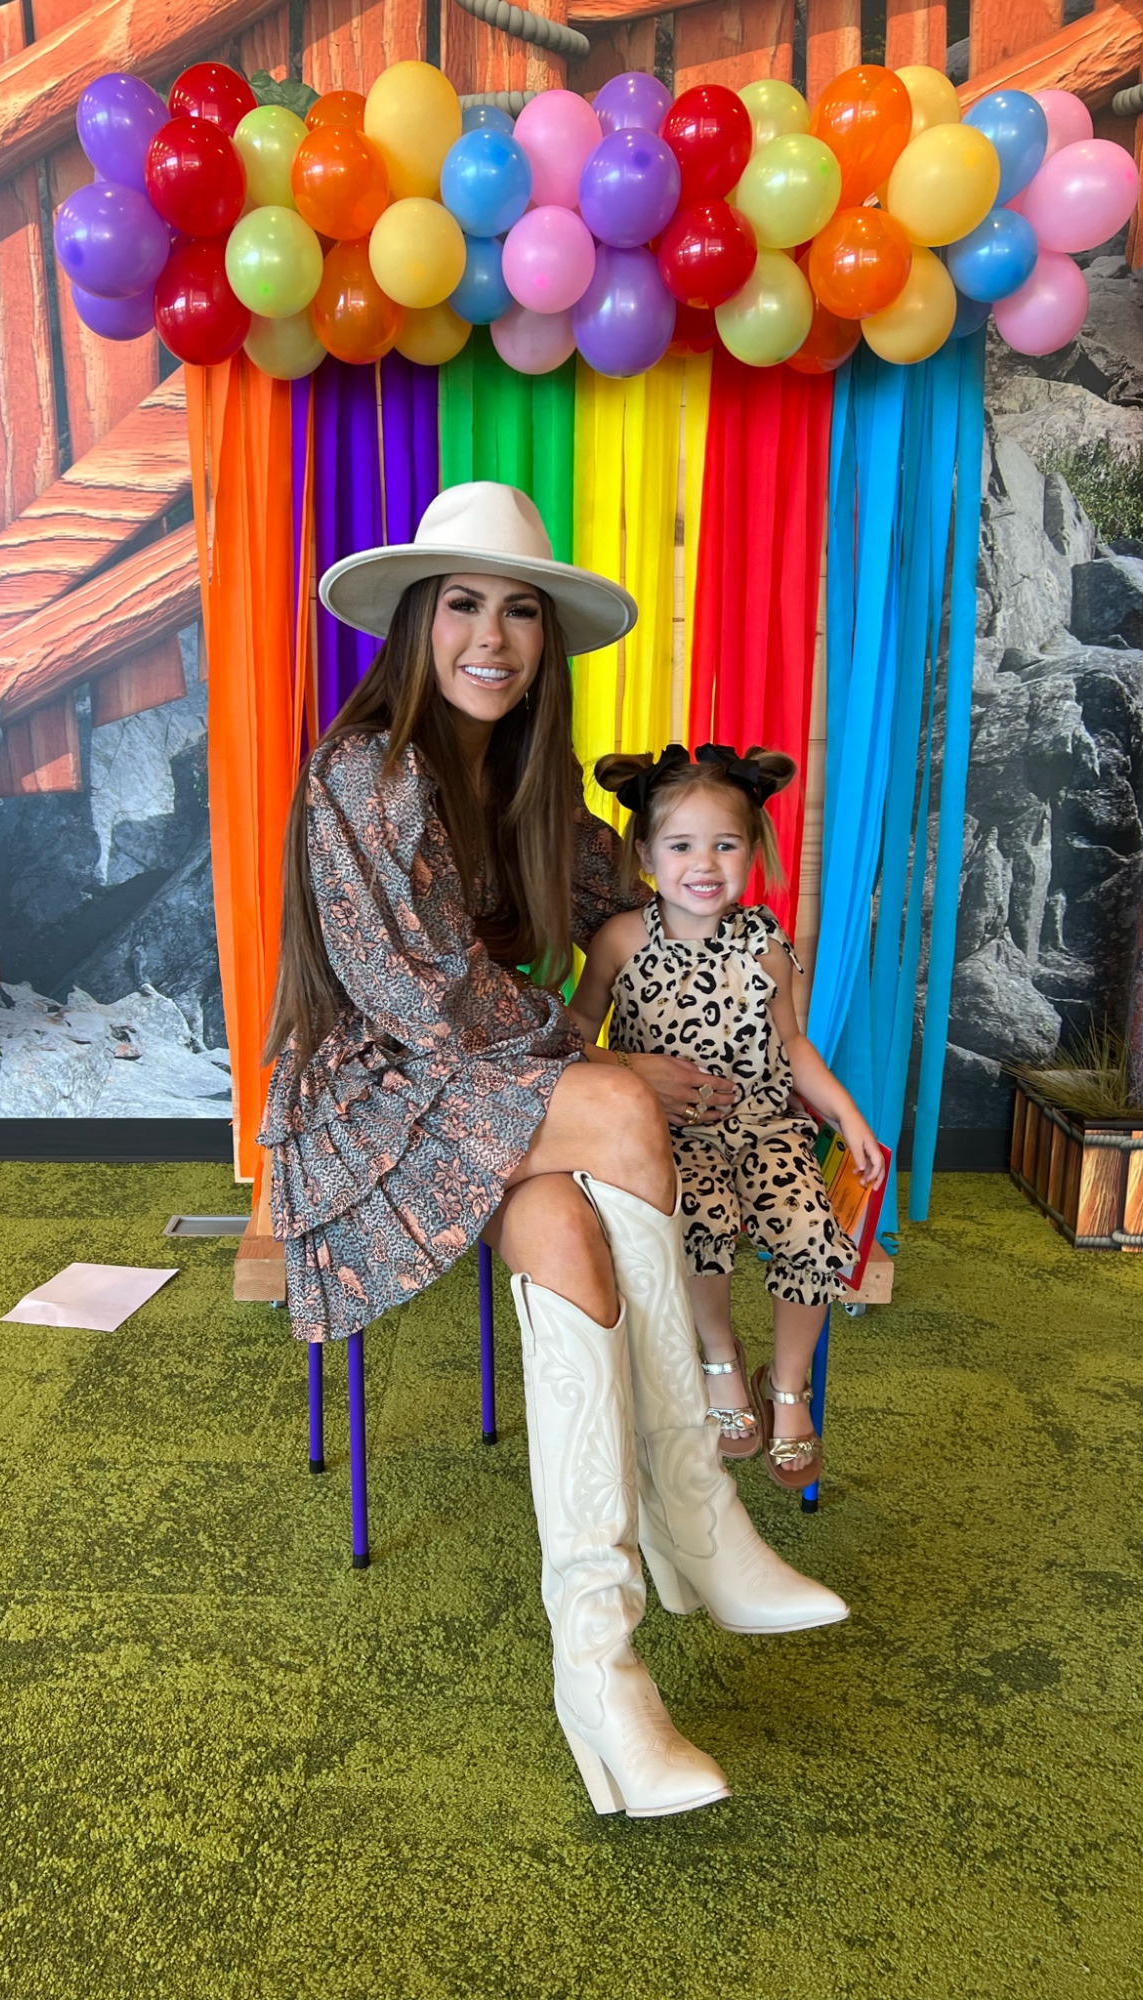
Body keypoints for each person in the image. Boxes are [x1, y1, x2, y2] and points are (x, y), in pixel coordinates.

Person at [260, 483, 849, 1822]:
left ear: (545, 641)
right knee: (622, 1110)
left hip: (480, 1098)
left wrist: (724, 990)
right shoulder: (368, 770)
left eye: (521, 611)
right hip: (365, 1110)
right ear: (416, 622)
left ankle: (603, 1666)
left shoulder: (522, 781)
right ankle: (699, 1516)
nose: (493, 635)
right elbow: (419, 1001)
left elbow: (635, 908)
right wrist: (611, 1061)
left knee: (573, 1218)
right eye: (463, 604)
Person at [568, 745, 888, 1488]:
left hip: (768, 1127)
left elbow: (793, 1044)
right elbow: (577, 1034)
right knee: (698, 1223)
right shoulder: (622, 939)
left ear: (752, 851)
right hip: (669, 1135)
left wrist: (847, 1117)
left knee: (812, 1229)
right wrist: (624, 1070)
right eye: (681, 844)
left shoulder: (766, 942)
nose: (703, 862)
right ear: (647, 853)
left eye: (725, 843)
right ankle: (721, 1359)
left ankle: (788, 1385)